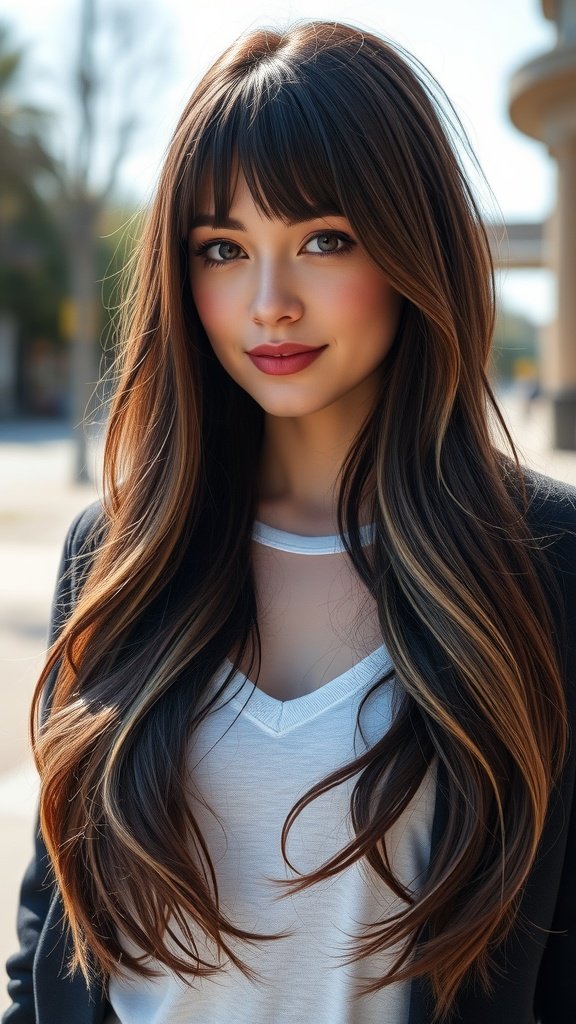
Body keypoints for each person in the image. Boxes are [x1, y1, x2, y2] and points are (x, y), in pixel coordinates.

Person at [4, 20, 576, 1024]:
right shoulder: (117, 551)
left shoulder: (544, 558)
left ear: (413, 247)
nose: (268, 302)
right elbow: (54, 929)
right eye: (223, 249)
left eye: (323, 239)